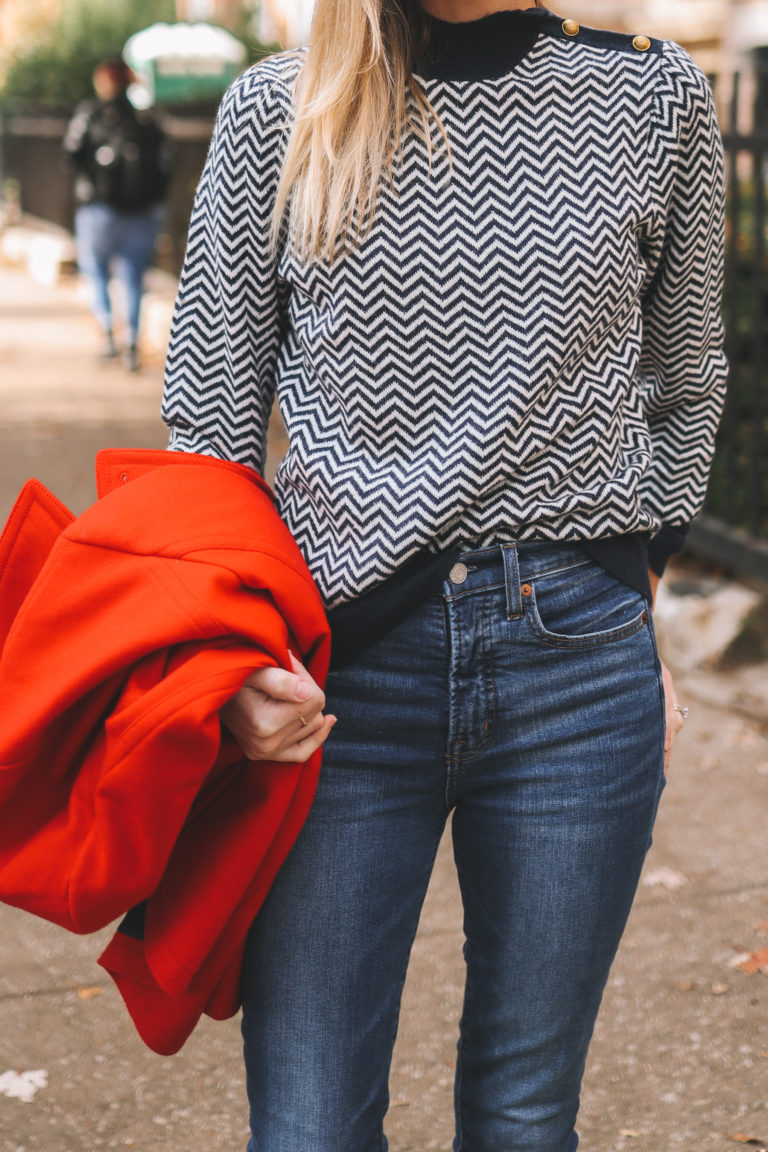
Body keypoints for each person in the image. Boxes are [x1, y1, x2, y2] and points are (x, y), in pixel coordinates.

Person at [162, 0, 727, 1146]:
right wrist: (226, 661)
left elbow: (685, 380)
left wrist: (639, 601)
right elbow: (209, 428)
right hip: (336, 685)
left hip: (579, 671)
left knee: (524, 1120)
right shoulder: (277, 111)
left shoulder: (653, 95)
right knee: (310, 1127)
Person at [63, 56, 169, 372]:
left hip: (99, 209)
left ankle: (108, 333)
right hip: (141, 211)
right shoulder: (146, 117)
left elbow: (71, 153)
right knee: (134, 277)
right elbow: (166, 164)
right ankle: (131, 342)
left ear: (104, 80)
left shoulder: (90, 113)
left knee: (95, 269)